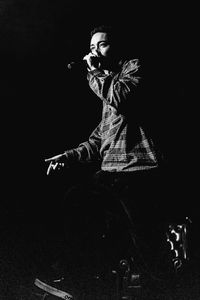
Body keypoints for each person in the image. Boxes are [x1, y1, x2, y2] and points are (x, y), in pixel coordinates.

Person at [33, 24, 170, 299]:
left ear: (117, 47)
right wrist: (68, 156)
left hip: (138, 172)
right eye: (92, 47)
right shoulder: (105, 86)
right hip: (110, 172)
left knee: (146, 245)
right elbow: (99, 140)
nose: (95, 51)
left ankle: (169, 289)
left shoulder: (133, 69)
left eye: (103, 44)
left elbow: (120, 97)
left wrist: (94, 72)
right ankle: (78, 277)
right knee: (78, 203)